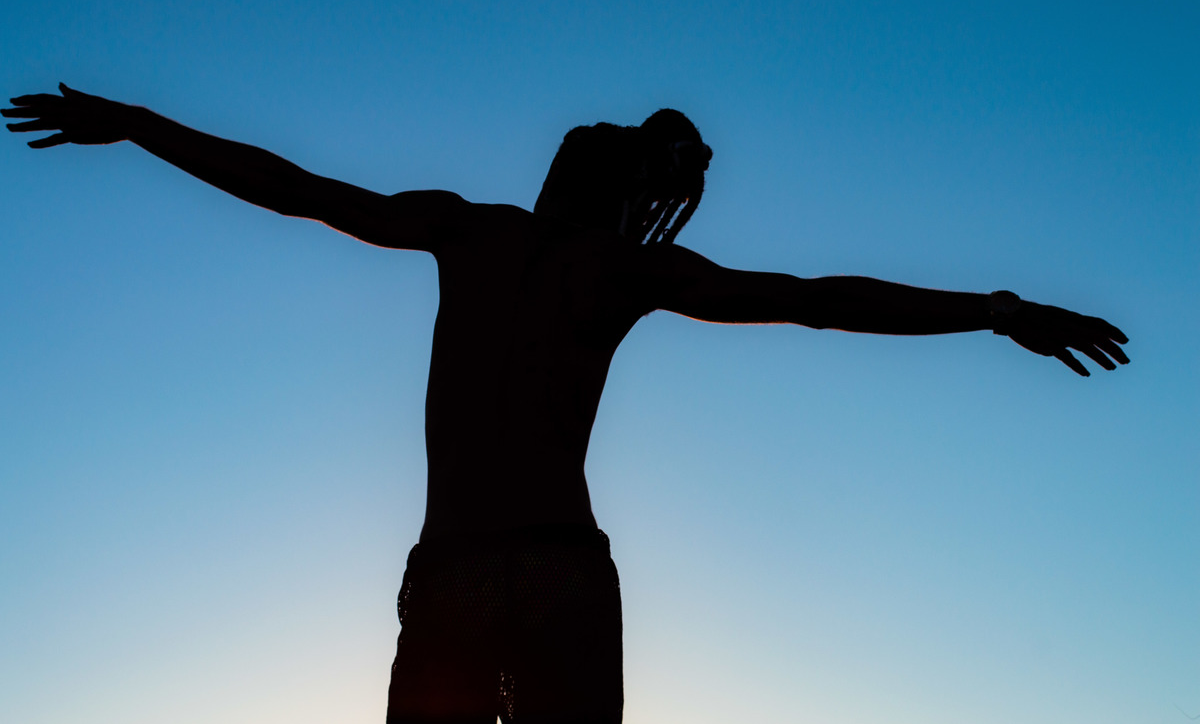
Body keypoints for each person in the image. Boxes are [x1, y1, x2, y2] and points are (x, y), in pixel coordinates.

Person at [4, 85, 1129, 723]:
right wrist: (995, 309)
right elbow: (818, 301)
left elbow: (295, 189)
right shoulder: (622, 269)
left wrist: (138, 123)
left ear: (558, 178)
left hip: (462, 567)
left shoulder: (472, 231)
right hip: (555, 572)